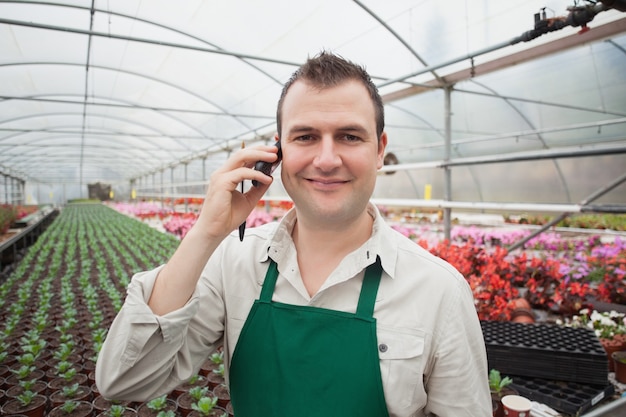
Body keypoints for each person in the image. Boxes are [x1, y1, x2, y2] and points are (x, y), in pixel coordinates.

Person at [96, 51, 492, 417]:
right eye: (305, 137)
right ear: (277, 152)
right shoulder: (235, 262)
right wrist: (206, 233)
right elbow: (124, 380)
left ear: (379, 150)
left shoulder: (438, 291)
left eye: (349, 136)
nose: (326, 159)